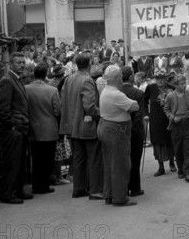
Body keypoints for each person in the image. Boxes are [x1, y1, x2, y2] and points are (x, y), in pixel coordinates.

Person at [59, 53, 104, 200]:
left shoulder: (68, 79)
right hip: (86, 125)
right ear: (89, 64)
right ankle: (95, 190)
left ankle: (78, 189)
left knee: (78, 157)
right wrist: (102, 115)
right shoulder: (87, 80)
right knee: (94, 158)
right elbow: (90, 106)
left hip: (72, 126)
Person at [98, 66, 139, 207]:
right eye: (121, 76)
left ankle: (109, 194)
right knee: (121, 165)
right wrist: (133, 102)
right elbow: (135, 106)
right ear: (117, 78)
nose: (122, 78)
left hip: (106, 128)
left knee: (110, 164)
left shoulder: (107, 91)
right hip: (116, 131)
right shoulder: (116, 94)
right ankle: (120, 197)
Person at [0, 52, 32, 204]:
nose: (22, 65)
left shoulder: (17, 80)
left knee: (20, 161)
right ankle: (8, 194)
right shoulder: (7, 81)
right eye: (18, 63)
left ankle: (18, 191)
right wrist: (12, 126)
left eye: (23, 62)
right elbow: (3, 109)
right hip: (13, 129)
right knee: (13, 162)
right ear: (11, 64)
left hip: (20, 128)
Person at [26, 63, 61, 194]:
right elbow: (57, 111)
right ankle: (44, 185)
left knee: (36, 158)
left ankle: (36, 185)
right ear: (46, 75)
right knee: (47, 159)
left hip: (33, 127)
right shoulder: (52, 90)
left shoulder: (26, 89)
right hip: (49, 128)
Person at [163, 75, 189, 182]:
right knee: (178, 149)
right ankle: (181, 170)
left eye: (185, 83)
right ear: (176, 85)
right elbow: (166, 109)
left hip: (188, 123)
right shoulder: (170, 96)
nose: (184, 86)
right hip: (176, 125)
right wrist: (173, 118)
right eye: (181, 84)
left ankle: (188, 172)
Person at [144, 68, 177, 176]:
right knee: (157, 142)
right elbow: (143, 101)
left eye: (162, 78)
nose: (160, 81)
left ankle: (172, 163)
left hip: (168, 119)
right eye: (157, 78)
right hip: (155, 119)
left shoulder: (172, 88)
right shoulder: (150, 88)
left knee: (170, 140)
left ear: (166, 78)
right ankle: (161, 167)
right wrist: (146, 114)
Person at [120, 66, 147, 197]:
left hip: (120, 130)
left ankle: (124, 187)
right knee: (135, 160)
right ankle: (135, 188)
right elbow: (139, 115)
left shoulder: (117, 91)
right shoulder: (138, 93)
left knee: (123, 161)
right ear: (130, 77)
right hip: (135, 132)